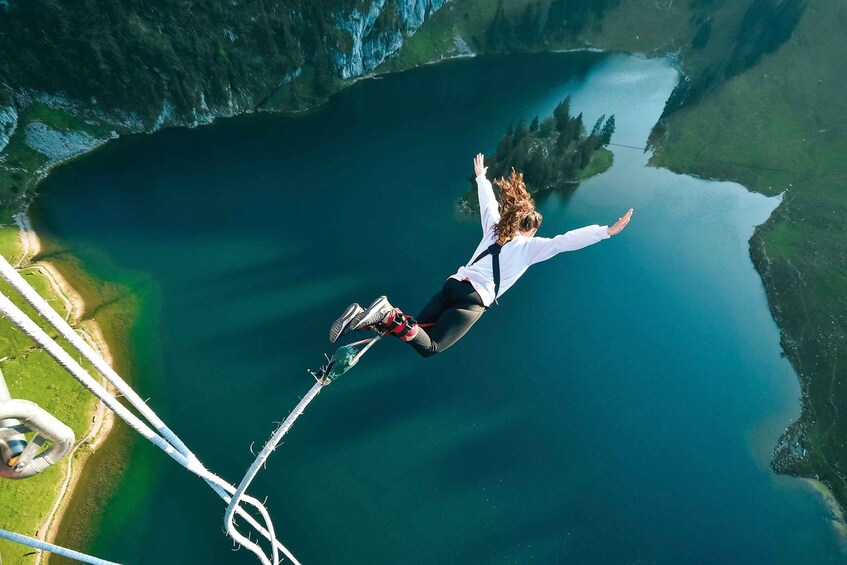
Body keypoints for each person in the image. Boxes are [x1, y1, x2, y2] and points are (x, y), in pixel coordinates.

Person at [329, 152, 633, 357]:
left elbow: (488, 204)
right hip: (472, 300)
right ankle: (386, 314)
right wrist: (605, 231)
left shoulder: (494, 230)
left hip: (453, 284)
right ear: (529, 229)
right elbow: (565, 241)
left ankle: (371, 319)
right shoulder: (530, 248)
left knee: (416, 329)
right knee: (431, 346)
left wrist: (481, 178)